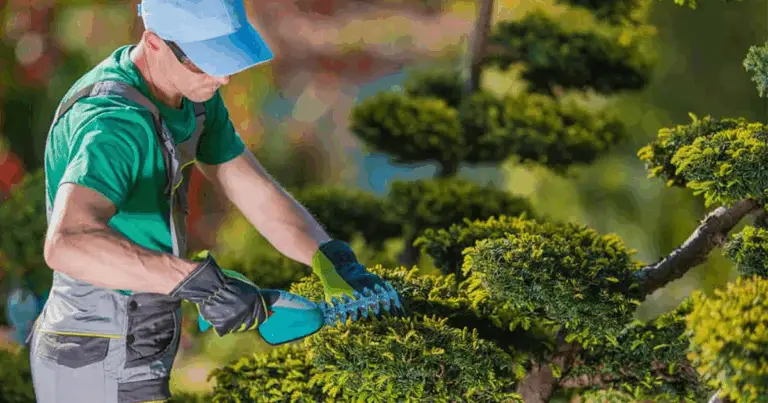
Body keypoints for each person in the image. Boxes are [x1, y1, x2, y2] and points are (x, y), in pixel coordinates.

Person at [29, 0, 395, 402]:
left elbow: (251, 189)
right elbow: (67, 244)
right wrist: (201, 284)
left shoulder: (192, 96)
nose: (221, 76)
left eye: (225, 55)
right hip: (94, 344)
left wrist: (328, 256)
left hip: (143, 324)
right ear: (154, 43)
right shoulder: (113, 127)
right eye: (204, 61)